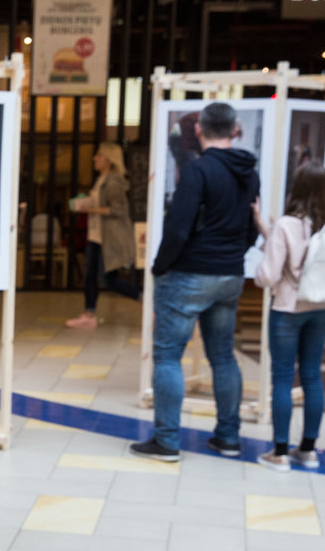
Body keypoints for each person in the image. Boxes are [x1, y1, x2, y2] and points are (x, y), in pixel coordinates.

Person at [130, 102, 260, 462]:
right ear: (234, 130)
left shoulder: (197, 171)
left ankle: (167, 441)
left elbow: (177, 227)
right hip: (230, 275)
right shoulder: (250, 173)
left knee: (169, 355)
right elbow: (251, 227)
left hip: (190, 275)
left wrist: (159, 268)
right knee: (222, 356)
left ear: (200, 129)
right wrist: (233, 256)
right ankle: (228, 437)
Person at [252, 164, 325, 472]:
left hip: (287, 309)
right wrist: (264, 227)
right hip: (321, 308)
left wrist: (262, 271)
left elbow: (268, 275)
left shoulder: (287, 223)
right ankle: (309, 450)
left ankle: (280, 453)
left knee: (283, 378)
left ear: (296, 187)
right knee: (312, 375)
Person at [66, 142, 139, 329]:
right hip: (96, 235)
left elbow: (117, 209)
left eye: (99, 155)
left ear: (109, 159)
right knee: (90, 276)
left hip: (107, 238)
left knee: (108, 280)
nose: (95, 159)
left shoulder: (113, 182)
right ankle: (89, 314)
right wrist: (84, 204)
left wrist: (91, 208)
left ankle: (144, 298)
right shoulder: (102, 179)